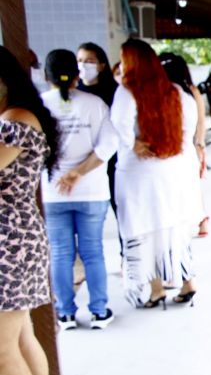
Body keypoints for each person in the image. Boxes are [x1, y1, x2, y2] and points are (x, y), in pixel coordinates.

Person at [0, 46, 61, 375]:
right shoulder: (17, 117)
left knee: (4, 351)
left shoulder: (15, 121)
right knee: (20, 339)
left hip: (10, 245)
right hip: (18, 240)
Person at [110, 39, 198, 308]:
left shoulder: (127, 93)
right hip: (171, 173)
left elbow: (119, 126)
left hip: (136, 175)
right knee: (174, 229)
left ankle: (155, 288)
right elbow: (188, 132)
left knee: (143, 230)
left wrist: (133, 143)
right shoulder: (176, 92)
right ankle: (187, 281)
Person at [39, 49, 118, 330]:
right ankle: (99, 310)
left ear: (45, 75)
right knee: (92, 251)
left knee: (60, 253)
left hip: (52, 192)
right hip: (92, 191)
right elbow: (107, 147)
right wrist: (78, 173)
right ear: (76, 74)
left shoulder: (38, 106)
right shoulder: (94, 104)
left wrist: (65, 174)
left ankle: (65, 313)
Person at [76, 43, 121, 253]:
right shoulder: (74, 93)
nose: (84, 65)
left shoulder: (114, 92)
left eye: (90, 61)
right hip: (85, 163)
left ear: (102, 65)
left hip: (114, 161)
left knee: (121, 210)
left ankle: (126, 255)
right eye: (80, 60)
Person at [160, 53, 209, 237]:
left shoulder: (186, 91)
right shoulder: (187, 90)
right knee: (191, 184)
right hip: (187, 147)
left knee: (190, 184)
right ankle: (198, 219)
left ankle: (199, 218)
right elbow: (201, 121)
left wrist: (199, 142)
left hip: (185, 146)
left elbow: (200, 120)